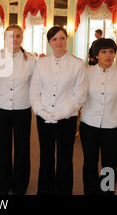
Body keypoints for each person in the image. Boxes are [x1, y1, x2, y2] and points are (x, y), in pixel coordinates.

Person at [30, 26, 87, 195]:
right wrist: (42, 111)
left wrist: (63, 113)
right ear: (49, 43)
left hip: (67, 119)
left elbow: (80, 93)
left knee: (65, 158)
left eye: (62, 38)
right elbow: (34, 89)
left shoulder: (77, 64)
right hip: (44, 117)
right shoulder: (41, 63)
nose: (58, 42)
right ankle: (45, 191)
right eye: (54, 39)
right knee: (46, 157)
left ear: (67, 40)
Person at [79, 38, 117, 195]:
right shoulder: (86, 73)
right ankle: (90, 191)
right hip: (89, 124)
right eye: (104, 52)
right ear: (96, 54)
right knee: (90, 163)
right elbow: (80, 96)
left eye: (111, 51)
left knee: (109, 165)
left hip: (112, 126)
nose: (108, 55)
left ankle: (107, 193)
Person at [0, 24, 36, 195]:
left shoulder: (31, 60)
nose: (15, 39)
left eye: (18, 36)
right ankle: (3, 185)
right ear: (5, 39)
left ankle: (20, 186)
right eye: (11, 36)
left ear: (22, 38)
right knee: (3, 147)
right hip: (2, 108)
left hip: (22, 109)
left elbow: (34, 86)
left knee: (22, 148)